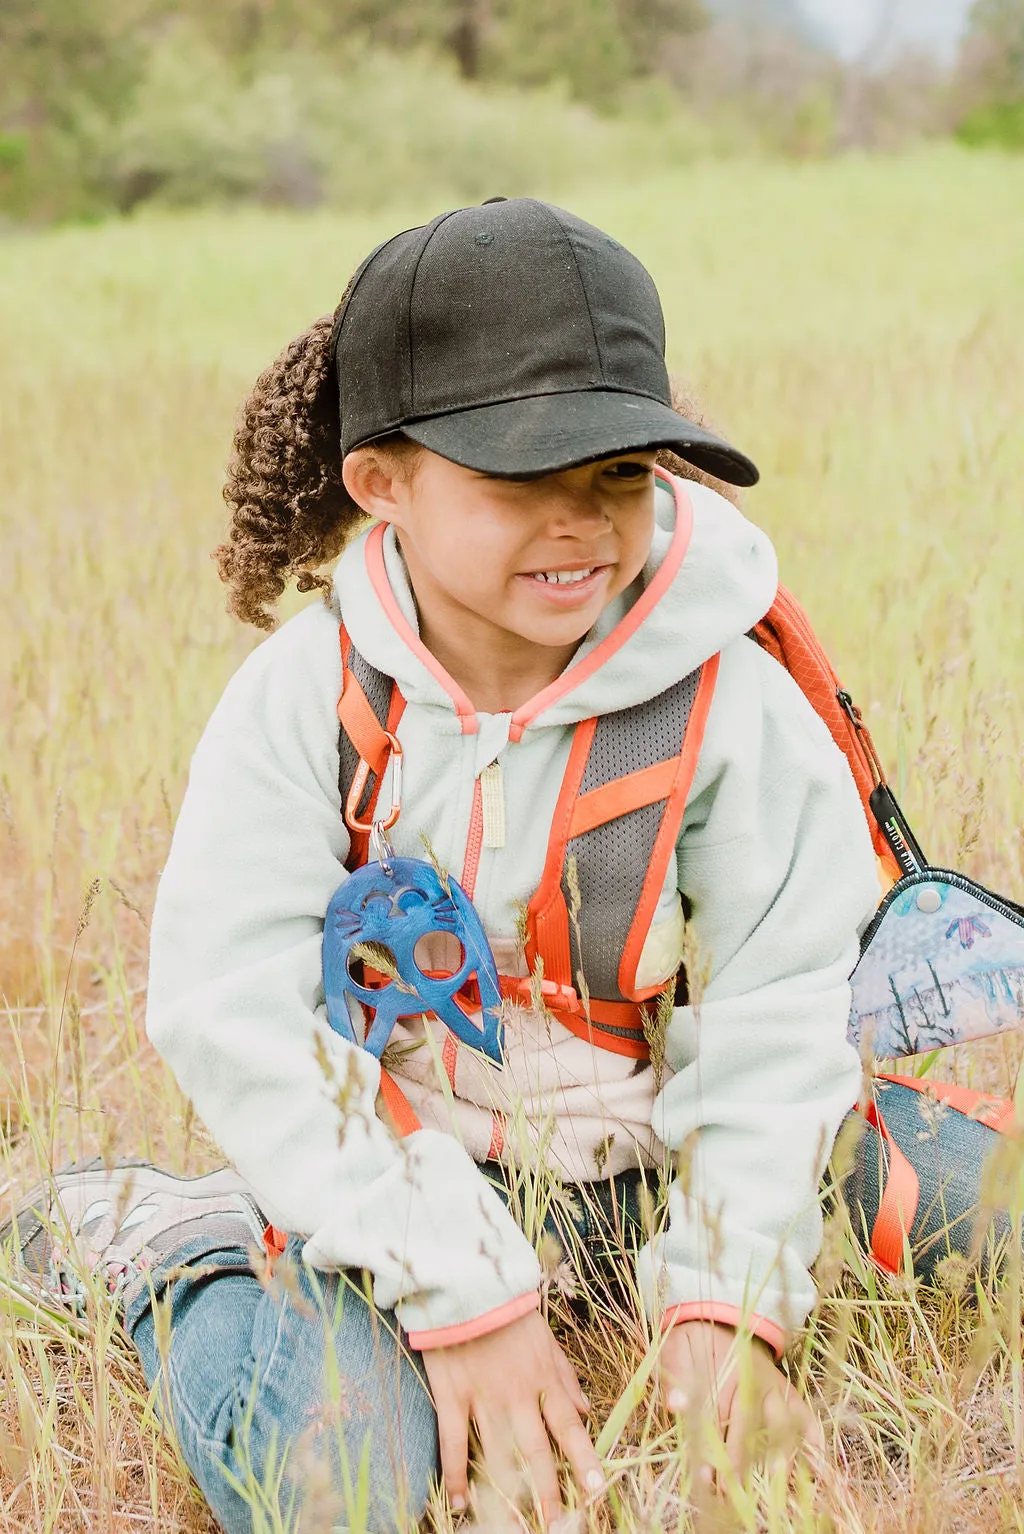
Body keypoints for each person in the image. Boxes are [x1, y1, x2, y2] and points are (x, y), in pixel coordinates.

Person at [2, 198, 903, 1531]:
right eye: (519, 476)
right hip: (375, 1180)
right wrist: (459, 1286)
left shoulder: (729, 695)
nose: (579, 523)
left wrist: (730, 1295)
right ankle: (167, 1244)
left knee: (973, 1194)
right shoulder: (304, 699)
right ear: (384, 480)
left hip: (640, 1152)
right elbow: (232, 1004)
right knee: (331, 1471)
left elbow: (787, 997)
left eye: (616, 473)